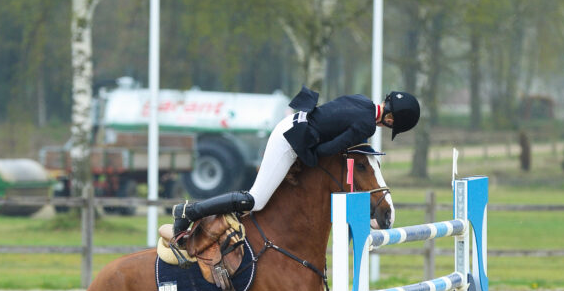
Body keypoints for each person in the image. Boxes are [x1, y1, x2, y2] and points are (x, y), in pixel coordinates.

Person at [170, 86, 420, 238]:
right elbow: (331, 148)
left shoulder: (363, 101)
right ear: (390, 120)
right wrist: (307, 155)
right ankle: (190, 211)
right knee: (256, 200)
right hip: (290, 139)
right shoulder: (367, 124)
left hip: (297, 124)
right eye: (392, 126)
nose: (387, 128)